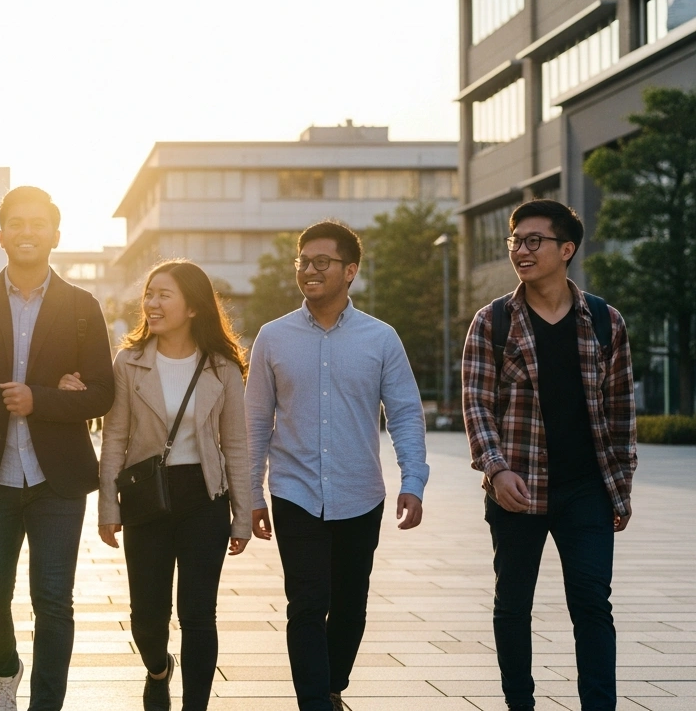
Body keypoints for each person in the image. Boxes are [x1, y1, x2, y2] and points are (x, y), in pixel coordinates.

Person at [0, 186, 115, 711]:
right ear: (2, 235)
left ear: (56, 235)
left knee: (54, 603)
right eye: (18, 223)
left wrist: (44, 399)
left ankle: (44, 706)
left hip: (58, 482)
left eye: (39, 223)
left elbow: (103, 394)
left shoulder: (82, 308)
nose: (28, 232)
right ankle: (6, 669)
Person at [245, 220, 428, 711]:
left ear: (350, 271)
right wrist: (250, 494)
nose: (309, 269)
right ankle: (315, 704)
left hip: (359, 491)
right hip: (294, 491)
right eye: (303, 261)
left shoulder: (381, 338)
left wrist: (414, 479)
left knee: (349, 606)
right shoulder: (272, 337)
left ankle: (332, 686)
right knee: (306, 604)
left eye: (321, 262)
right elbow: (256, 421)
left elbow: (406, 411)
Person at [461, 200, 636, 711]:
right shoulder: (492, 321)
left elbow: (621, 409)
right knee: (513, 605)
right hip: (517, 487)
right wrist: (495, 470)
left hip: (586, 490)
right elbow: (476, 404)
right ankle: (521, 703)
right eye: (516, 240)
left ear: (566, 250)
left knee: (592, 605)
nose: (521, 250)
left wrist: (619, 487)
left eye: (533, 241)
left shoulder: (605, 321)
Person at [94, 259, 253, 711]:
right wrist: (109, 508)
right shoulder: (129, 361)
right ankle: (158, 667)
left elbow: (236, 444)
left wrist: (242, 514)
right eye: (150, 294)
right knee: (147, 618)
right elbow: (115, 439)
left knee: (199, 615)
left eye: (164, 294)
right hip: (147, 497)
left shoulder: (221, 366)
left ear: (193, 307)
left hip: (204, 498)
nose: (152, 303)